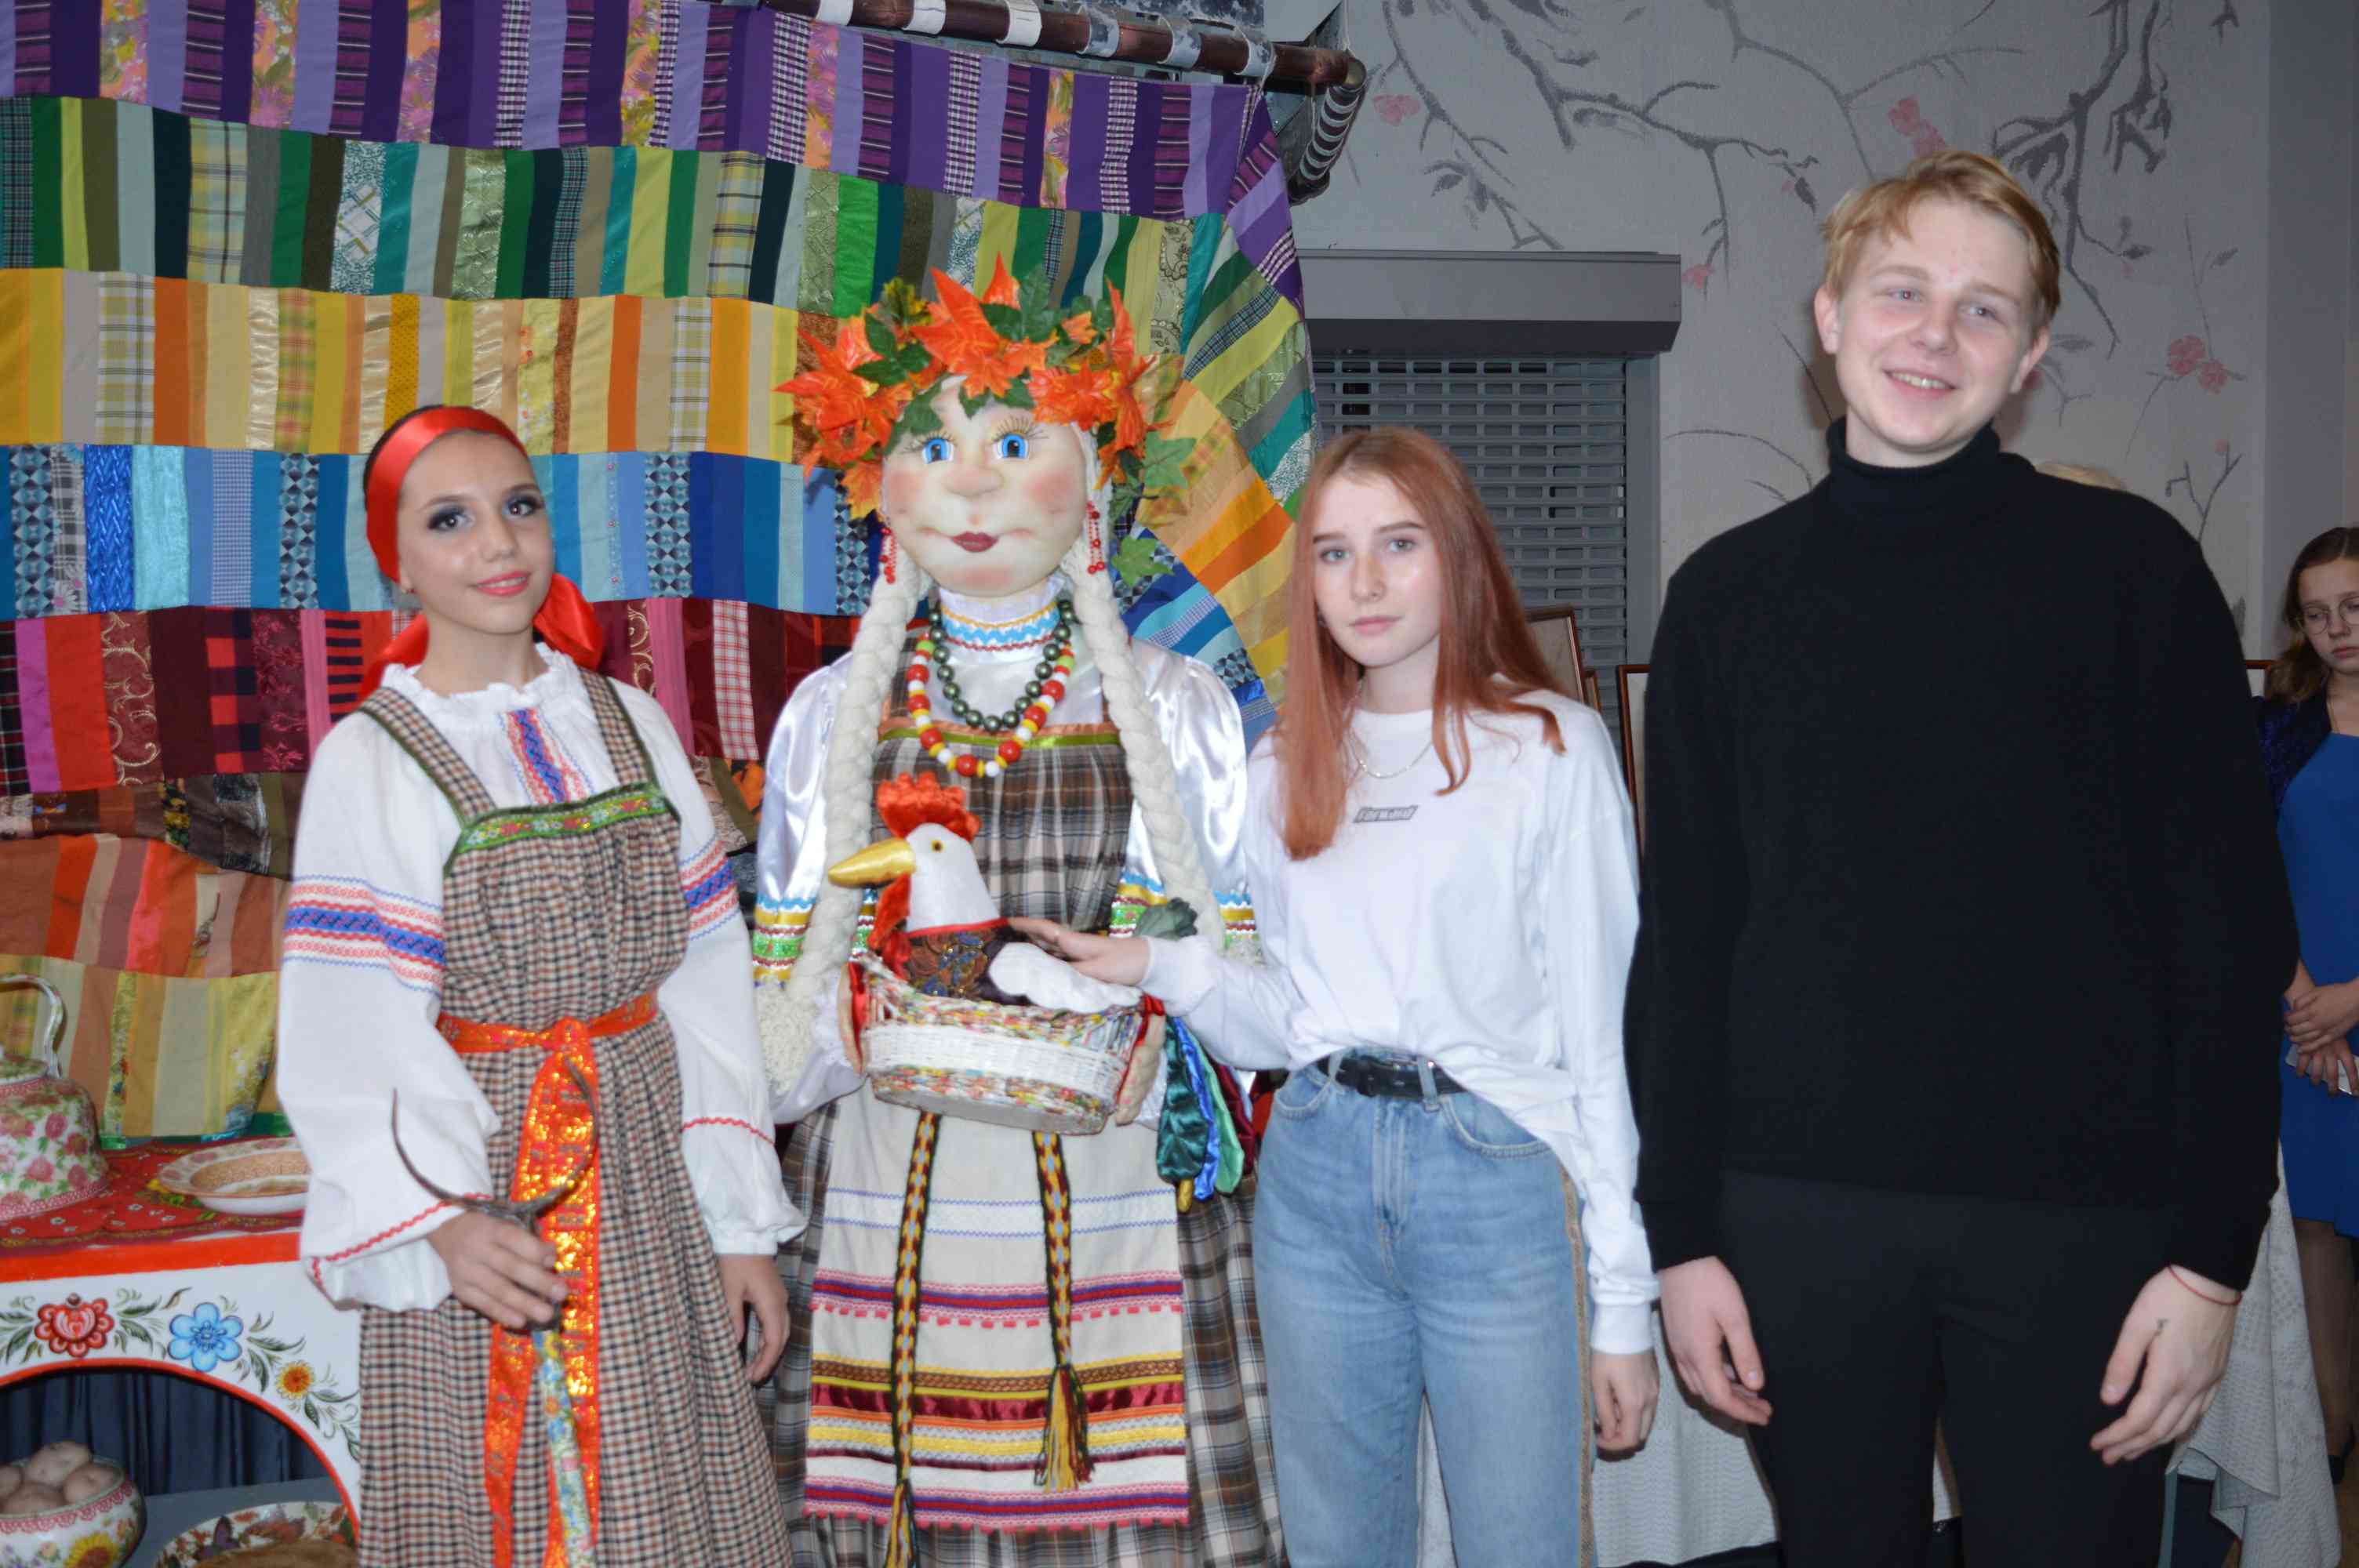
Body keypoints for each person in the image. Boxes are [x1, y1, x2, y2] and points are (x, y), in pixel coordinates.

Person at [1627, 149, 2295, 1563]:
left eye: (1983, 309)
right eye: (1901, 292)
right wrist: (1676, 1239)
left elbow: (2230, 938)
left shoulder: (2136, 576)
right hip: (1797, 1226)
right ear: (1829, 317)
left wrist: (2210, 1263)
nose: (1934, 335)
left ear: (2030, 354)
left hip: (2083, 1234)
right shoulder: (1725, 602)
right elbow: (1683, 948)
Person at [1022, 426, 1661, 1566]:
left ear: (1458, 555)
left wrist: (1624, 1303)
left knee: (1517, 1545)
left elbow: (1607, 1047)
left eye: (1397, 544)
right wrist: (1159, 968)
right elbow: (1287, 1022)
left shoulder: (1549, 749)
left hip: (1498, 1178)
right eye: (1332, 552)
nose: (1363, 582)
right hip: (1314, 1175)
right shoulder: (1285, 767)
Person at [755, 267, 1284, 1564]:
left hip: (1117, 1197)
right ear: (882, 488)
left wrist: (1141, 1039)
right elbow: (785, 990)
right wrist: (848, 1037)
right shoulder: (830, 715)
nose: (975, 490)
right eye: (933, 449)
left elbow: (1222, 970)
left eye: (1011, 446)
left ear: (1095, 484)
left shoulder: (1174, 706)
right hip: (886, 1193)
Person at [278, 405, 796, 1566]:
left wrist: (738, 1224)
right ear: (396, 563)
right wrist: (439, 1220)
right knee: (507, 1493)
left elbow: (708, 981)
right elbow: (353, 1026)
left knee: (665, 1485)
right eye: (448, 520)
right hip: (492, 1201)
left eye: (517, 506)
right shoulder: (375, 757)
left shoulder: (628, 720)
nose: (497, 542)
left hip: (651, 1176)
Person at [2259, 525, 2359, 1482]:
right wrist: (2304, 1004)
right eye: (2317, 613)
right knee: (2314, 1227)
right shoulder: (2278, 725)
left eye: (2354, 606)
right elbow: (2240, 866)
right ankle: (2331, 1434)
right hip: (2296, 1014)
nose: (2337, 628)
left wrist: (2350, 1000)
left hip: (2348, 1003)